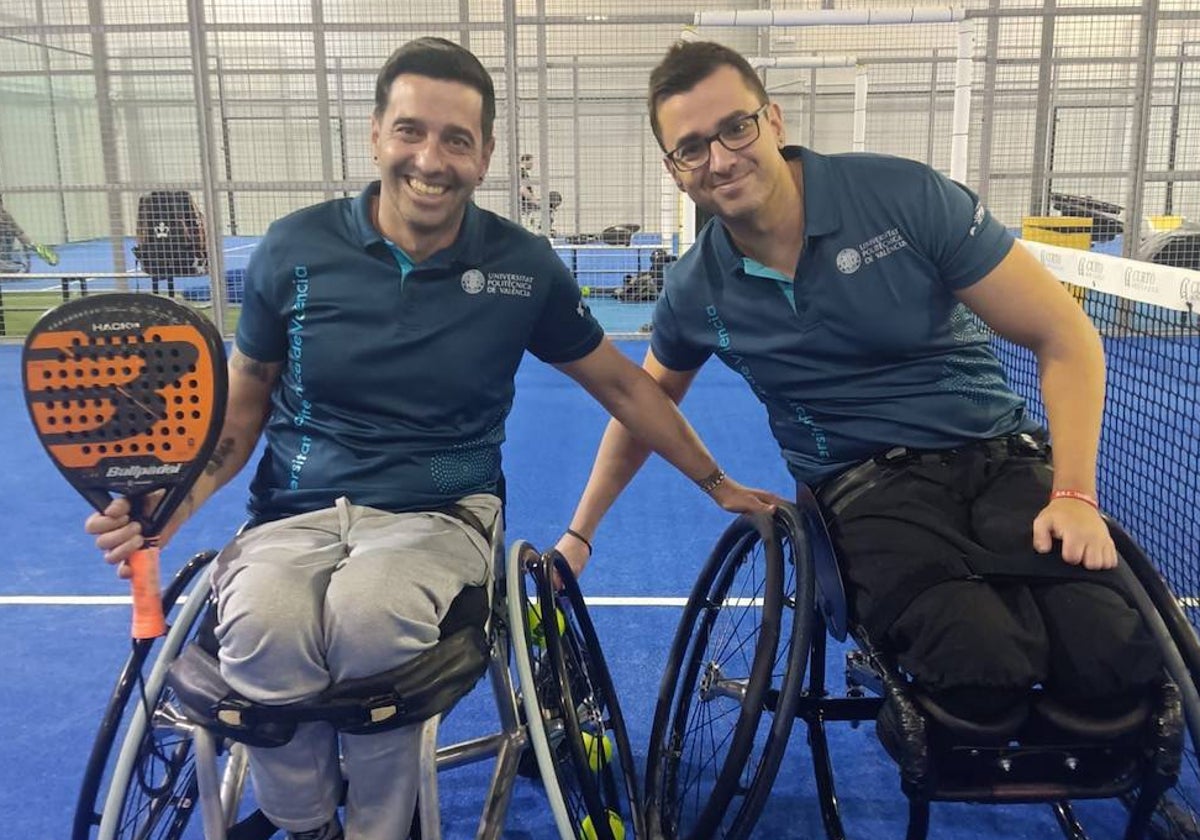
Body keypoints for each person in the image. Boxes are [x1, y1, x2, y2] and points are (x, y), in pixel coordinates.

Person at [85, 37, 776, 840]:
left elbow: (625, 385)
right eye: (411, 131)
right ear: (377, 133)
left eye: (456, 139)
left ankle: (385, 827)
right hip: (294, 514)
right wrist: (177, 500)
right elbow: (242, 416)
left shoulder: (523, 268)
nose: (430, 158)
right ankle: (306, 824)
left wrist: (715, 481)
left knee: (371, 617)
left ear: (483, 155)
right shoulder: (294, 250)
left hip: (442, 515)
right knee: (261, 624)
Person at [556, 40, 1161, 737]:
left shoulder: (906, 197)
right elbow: (641, 403)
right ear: (675, 170)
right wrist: (584, 534)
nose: (719, 158)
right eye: (691, 148)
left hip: (1002, 457)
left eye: (735, 128)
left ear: (774, 121)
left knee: (1113, 657)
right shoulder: (696, 289)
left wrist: (1076, 494)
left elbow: (1066, 338)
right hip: (865, 491)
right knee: (977, 664)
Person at [0, 194, 57, 271]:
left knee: (8, 230)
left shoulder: (5, 215)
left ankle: (4, 262)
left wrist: (36, 247)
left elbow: (20, 234)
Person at [518, 152, 541, 232]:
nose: (532, 165)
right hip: (524, 206)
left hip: (525, 205)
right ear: (524, 161)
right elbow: (522, 189)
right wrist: (534, 200)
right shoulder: (522, 172)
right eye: (531, 162)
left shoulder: (522, 173)